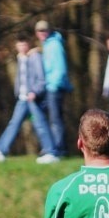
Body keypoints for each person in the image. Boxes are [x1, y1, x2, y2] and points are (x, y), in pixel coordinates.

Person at [0, 32, 58, 164]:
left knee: (40, 124)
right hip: (23, 98)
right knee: (14, 123)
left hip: (33, 98)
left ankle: (51, 152)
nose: (22, 47)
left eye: (24, 44)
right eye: (19, 45)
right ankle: (1, 150)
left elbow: (41, 78)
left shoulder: (35, 57)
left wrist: (34, 92)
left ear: (28, 44)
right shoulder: (21, 58)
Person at [35, 20, 73, 158]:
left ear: (49, 31)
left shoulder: (54, 45)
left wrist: (53, 85)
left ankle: (58, 149)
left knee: (55, 119)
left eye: (44, 30)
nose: (42, 33)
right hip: (50, 86)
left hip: (54, 87)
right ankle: (54, 147)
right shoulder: (48, 45)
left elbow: (60, 69)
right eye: (39, 31)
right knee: (52, 117)